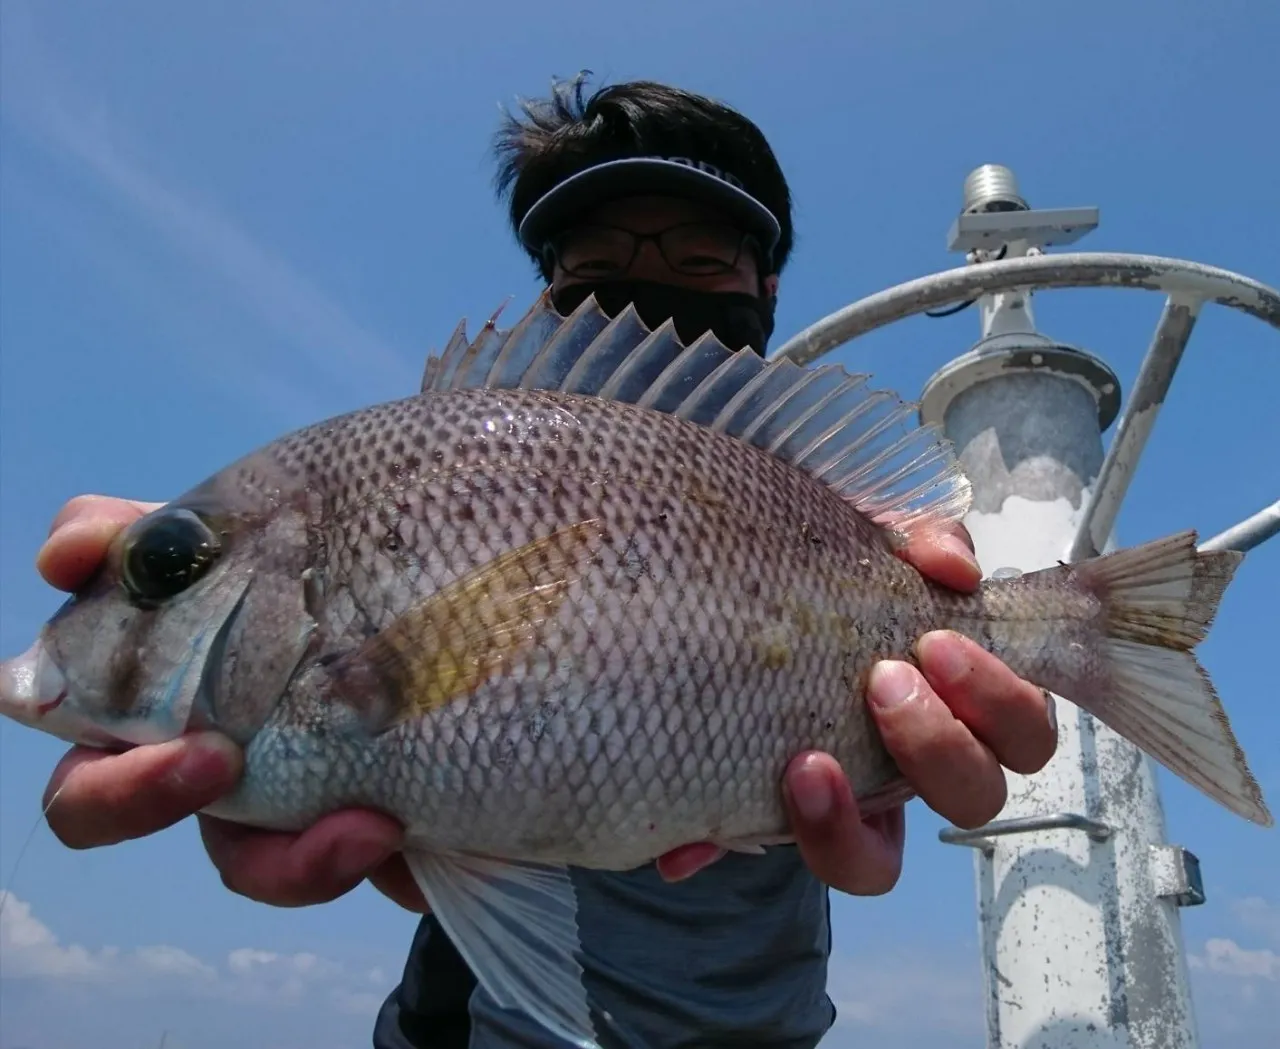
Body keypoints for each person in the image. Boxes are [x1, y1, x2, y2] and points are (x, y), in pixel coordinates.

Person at [35, 76, 1058, 1047]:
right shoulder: (415, 479)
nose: (648, 288)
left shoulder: (838, 505)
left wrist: (929, 663)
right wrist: (162, 556)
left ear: (768, 285)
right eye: (596, 264)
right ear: (549, 299)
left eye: (701, 263)